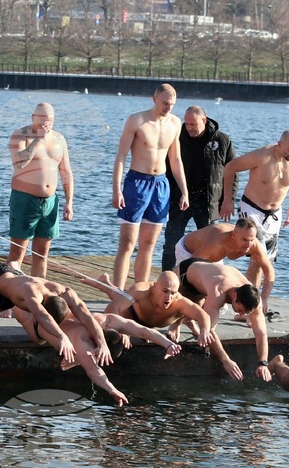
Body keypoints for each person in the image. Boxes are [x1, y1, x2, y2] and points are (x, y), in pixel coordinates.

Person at [0, 211, 111, 368]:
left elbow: (86, 316)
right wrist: (62, 337)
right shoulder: (33, 296)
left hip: (12, 291)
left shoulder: (65, 292)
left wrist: (102, 343)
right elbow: (42, 316)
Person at [112, 83, 189, 289]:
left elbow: (176, 160)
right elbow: (121, 156)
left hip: (161, 185)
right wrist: (116, 189)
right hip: (137, 183)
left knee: (148, 244)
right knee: (127, 243)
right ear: (154, 99)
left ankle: (140, 291)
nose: (168, 108)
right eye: (164, 103)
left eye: (171, 104)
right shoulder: (137, 120)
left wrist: (184, 191)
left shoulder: (175, 123)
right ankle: (117, 291)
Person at [161, 105, 235, 272]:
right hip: (180, 199)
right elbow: (165, 167)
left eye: (193, 124)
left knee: (212, 246)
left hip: (209, 202)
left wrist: (228, 200)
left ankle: (205, 280)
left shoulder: (221, 140)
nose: (189, 128)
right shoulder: (178, 137)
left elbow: (232, 172)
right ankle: (167, 278)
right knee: (171, 243)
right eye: (187, 124)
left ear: (204, 120)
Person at [7, 102, 74, 279]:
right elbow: (19, 163)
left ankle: (39, 288)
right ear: (33, 118)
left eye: (48, 122)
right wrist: (38, 139)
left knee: (42, 253)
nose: (45, 126)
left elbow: (66, 171)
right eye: (41, 121)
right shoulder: (20, 135)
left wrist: (69, 202)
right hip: (25, 200)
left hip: (50, 202)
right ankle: (8, 290)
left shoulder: (59, 139)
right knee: (17, 253)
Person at [220, 129, 289, 264]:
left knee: (267, 260)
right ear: (280, 144)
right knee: (260, 255)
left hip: (274, 214)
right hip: (251, 209)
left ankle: (255, 279)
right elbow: (230, 167)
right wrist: (227, 200)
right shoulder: (261, 156)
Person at [175, 259, 271, 381]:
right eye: (240, 310)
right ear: (235, 296)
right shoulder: (218, 291)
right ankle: (177, 322)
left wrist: (263, 363)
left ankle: (186, 320)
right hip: (186, 272)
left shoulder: (255, 299)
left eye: (246, 313)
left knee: (200, 307)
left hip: (207, 274)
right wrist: (225, 360)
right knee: (171, 308)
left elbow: (261, 333)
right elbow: (209, 330)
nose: (241, 314)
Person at [15, 306, 130, 406]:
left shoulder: (98, 322)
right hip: (35, 326)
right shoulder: (83, 344)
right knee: (19, 301)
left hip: (49, 316)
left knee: (24, 298)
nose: (94, 360)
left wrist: (125, 332)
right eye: (96, 358)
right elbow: (93, 370)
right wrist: (112, 389)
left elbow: (138, 329)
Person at [85, 270, 215, 350]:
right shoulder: (142, 290)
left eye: (172, 293)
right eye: (165, 291)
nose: (168, 297)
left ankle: (105, 282)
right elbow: (113, 308)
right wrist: (120, 328)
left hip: (149, 323)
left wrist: (204, 330)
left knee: (121, 296)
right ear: (155, 286)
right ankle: (103, 284)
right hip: (131, 314)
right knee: (119, 298)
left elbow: (202, 315)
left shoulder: (179, 302)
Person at [171, 218, 276, 316]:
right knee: (190, 295)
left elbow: (269, 271)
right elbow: (189, 265)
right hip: (189, 252)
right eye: (245, 240)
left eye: (252, 239)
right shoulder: (218, 241)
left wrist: (264, 298)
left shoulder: (253, 245)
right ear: (234, 235)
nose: (249, 244)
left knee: (220, 306)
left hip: (213, 258)